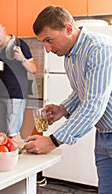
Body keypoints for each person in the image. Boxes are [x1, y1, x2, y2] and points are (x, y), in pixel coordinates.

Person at [23, 5, 112, 194]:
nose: (47, 49)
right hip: (103, 133)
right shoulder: (69, 55)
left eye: (49, 40)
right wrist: (63, 109)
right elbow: (83, 91)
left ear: (68, 29)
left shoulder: (100, 49)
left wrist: (53, 141)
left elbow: (93, 105)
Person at [0, 21, 37, 138]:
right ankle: (5, 155)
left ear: (4, 30)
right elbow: (1, 67)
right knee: (2, 133)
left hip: (16, 94)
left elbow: (33, 69)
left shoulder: (19, 44)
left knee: (12, 133)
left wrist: (22, 59)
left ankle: (14, 156)